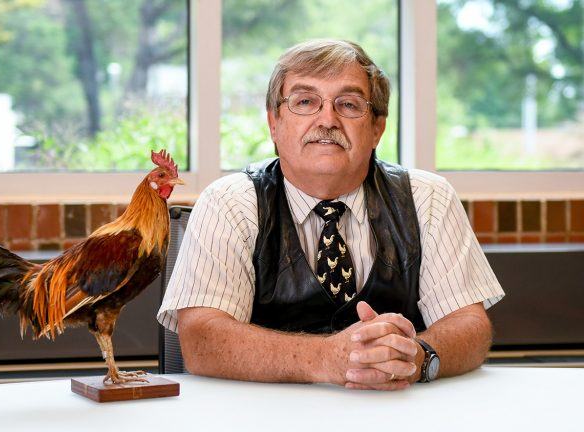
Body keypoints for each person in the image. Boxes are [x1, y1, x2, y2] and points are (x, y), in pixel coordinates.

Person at [157, 39, 504, 390]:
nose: (327, 120)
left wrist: (416, 356)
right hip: (266, 414)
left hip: (396, 410)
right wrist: (326, 358)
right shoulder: (228, 203)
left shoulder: (428, 198)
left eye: (348, 104)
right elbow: (201, 340)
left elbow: (470, 325)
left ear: (377, 128)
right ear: (274, 122)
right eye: (305, 102)